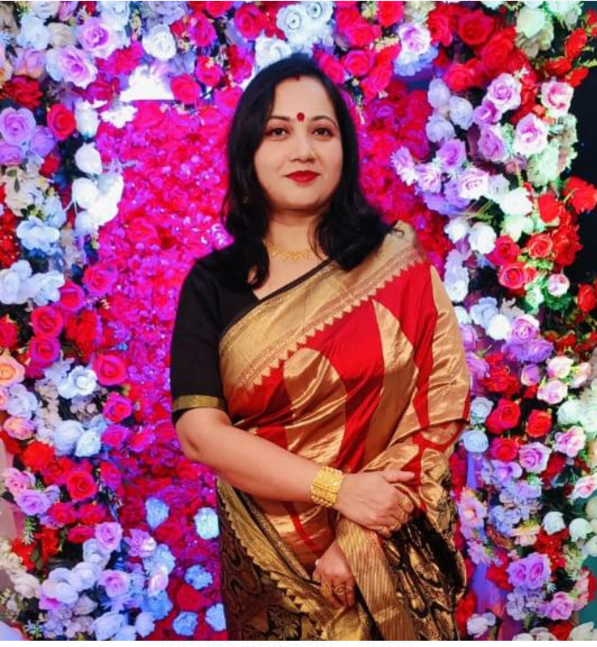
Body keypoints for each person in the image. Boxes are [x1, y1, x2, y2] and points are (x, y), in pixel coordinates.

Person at [170, 53, 471, 640]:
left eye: (322, 132)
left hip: (389, 537)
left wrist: (360, 534)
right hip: (271, 561)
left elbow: (439, 407)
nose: (303, 150)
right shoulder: (214, 284)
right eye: (279, 131)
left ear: (345, 151)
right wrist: (339, 491)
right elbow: (200, 434)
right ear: (248, 152)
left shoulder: (397, 266)